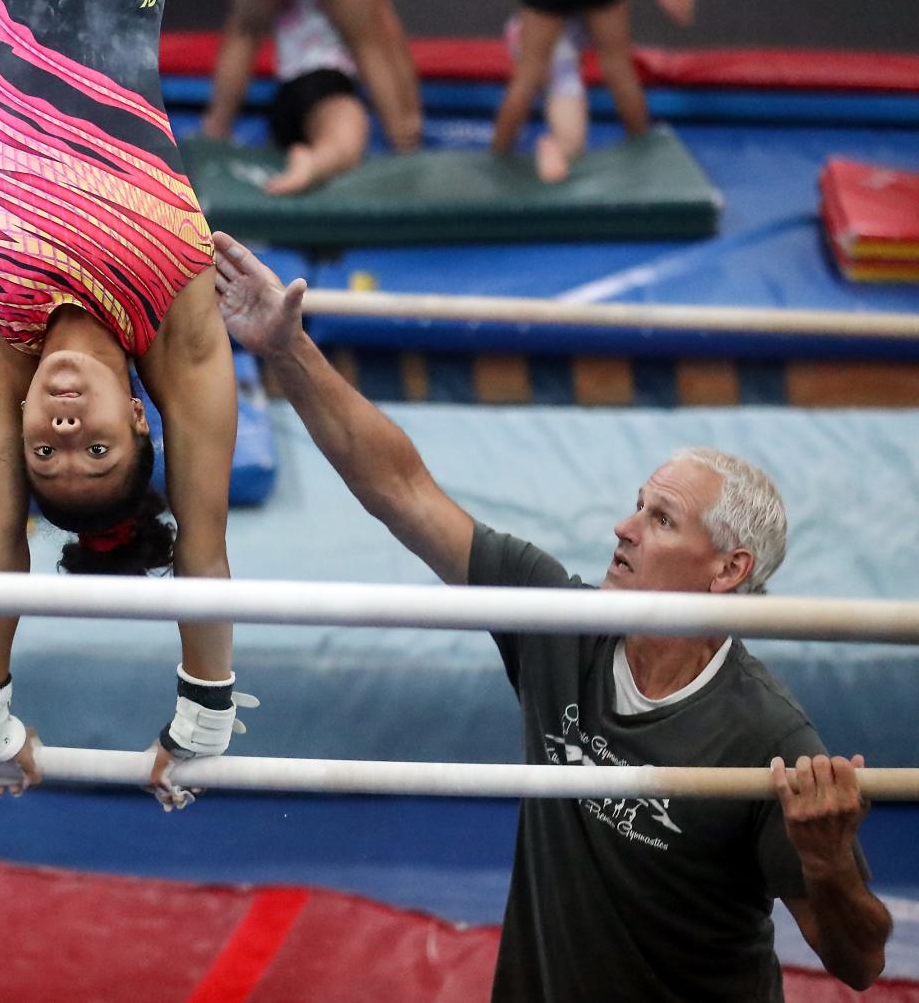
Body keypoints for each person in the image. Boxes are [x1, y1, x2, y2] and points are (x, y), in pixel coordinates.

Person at [211, 231, 893, 1001]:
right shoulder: (557, 624)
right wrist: (287, 349)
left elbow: (857, 962)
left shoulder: (767, 738)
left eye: (661, 519)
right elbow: (402, 489)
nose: (623, 528)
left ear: (727, 570)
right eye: (635, 505)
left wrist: (829, 861)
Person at [0, 0, 253, 808]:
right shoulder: (181, 334)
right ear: (141, 417)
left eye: (44, 456)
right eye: (97, 452)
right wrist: (201, 718)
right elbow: (204, 548)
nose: (62, 434)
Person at [202, 0, 422, 194]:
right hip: (327, 82)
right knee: (367, 50)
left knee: (244, 32)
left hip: (288, 95)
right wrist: (405, 131)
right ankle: (329, 158)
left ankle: (215, 128)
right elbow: (378, 43)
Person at [506, 0, 703, 182]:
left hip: (558, 39)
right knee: (551, 93)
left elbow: (682, 12)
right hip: (547, 42)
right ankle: (530, 152)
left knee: (565, 94)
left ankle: (518, 153)